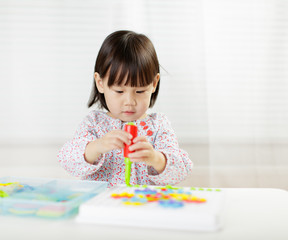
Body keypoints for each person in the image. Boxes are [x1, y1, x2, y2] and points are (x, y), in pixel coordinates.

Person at [58, 30, 192, 187]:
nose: (129, 101)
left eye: (140, 91)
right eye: (119, 91)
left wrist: (155, 158)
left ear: (154, 83)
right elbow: (67, 160)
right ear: (100, 83)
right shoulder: (94, 123)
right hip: (103, 206)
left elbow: (181, 170)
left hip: (143, 205)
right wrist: (98, 146)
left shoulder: (158, 126)